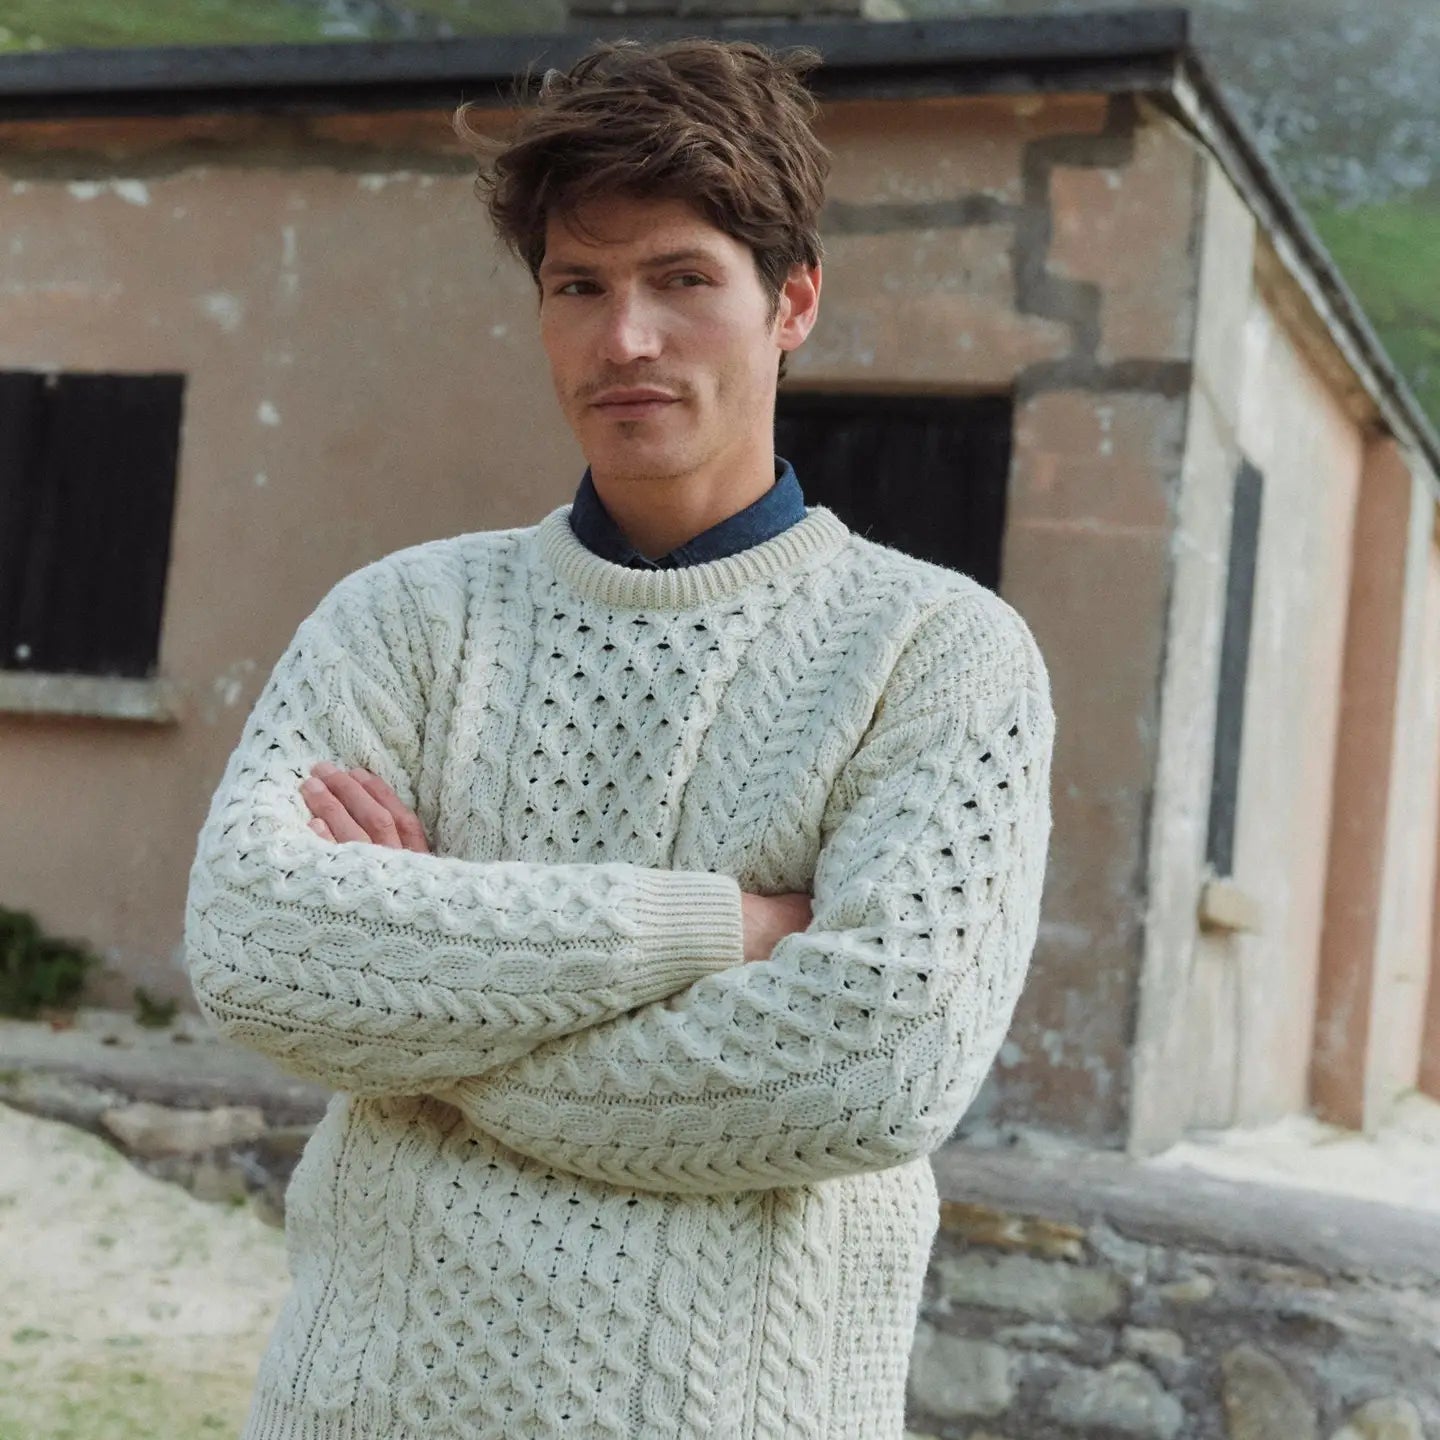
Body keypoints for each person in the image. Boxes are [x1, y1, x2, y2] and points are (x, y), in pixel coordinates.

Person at [184, 36, 1054, 1440]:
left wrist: (430, 1009)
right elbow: (254, 949)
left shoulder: (935, 653)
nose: (624, 338)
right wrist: (721, 930)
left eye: (682, 281)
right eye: (577, 286)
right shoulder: (404, 618)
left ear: (796, 302)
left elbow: (873, 1065)